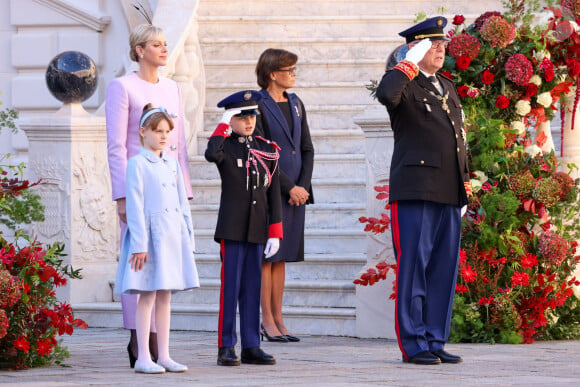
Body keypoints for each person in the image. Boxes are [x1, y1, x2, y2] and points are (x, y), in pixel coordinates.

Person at [375, 16, 472, 365]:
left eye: (443, 45)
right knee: (414, 267)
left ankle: (434, 338)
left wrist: (463, 187)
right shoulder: (404, 84)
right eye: (432, 45)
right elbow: (385, 93)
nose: (441, 50)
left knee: (443, 270)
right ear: (415, 48)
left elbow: (457, 138)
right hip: (416, 188)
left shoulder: (445, 85)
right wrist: (409, 61)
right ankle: (413, 343)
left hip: (448, 190)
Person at [105, 23, 193, 368]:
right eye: (156, 44)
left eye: (165, 44)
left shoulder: (173, 88)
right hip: (137, 183)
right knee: (137, 259)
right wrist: (121, 195)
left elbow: (179, 145)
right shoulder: (122, 87)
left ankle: (162, 345)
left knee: (166, 263)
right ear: (139, 50)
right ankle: (139, 339)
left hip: (168, 185)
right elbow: (116, 145)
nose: (163, 49)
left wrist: (184, 190)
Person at [114, 104, 199, 374]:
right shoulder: (137, 164)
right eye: (157, 131)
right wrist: (139, 244)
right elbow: (136, 206)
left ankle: (164, 354)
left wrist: (188, 236)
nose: (163, 136)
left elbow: (181, 203)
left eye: (167, 131)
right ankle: (143, 357)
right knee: (147, 295)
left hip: (172, 236)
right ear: (143, 132)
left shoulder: (172, 163)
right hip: (149, 239)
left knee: (165, 296)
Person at [205, 90, 283, 366]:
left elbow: (273, 192)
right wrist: (223, 124)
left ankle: (252, 344)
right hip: (232, 228)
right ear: (231, 118)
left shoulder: (266, 148)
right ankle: (226, 345)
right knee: (231, 289)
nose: (248, 121)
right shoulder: (225, 146)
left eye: (251, 115)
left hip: (257, 228)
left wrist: (275, 230)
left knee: (253, 288)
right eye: (241, 116)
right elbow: (211, 154)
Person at [255, 48, 314, 343]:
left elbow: (306, 148)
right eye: (289, 70)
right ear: (272, 74)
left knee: (282, 257)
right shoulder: (258, 105)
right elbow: (262, 153)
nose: (293, 74)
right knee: (267, 257)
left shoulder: (296, 102)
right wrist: (289, 186)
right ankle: (265, 320)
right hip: (271, 192)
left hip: (296, 195)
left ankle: (278, 317)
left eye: (294, 70)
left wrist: (302, 186)